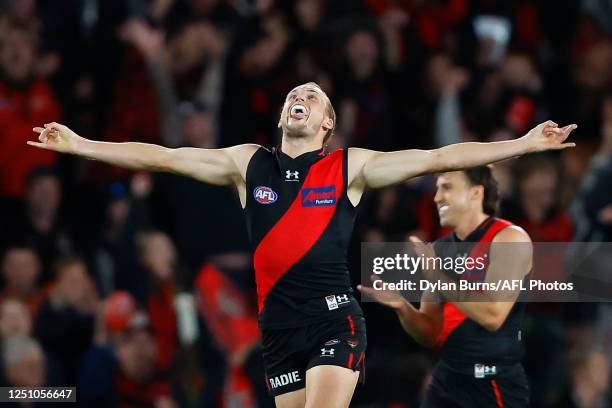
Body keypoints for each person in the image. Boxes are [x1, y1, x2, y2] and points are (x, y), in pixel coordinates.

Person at [28, 82, 575, 408]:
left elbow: (438, 157)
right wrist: (82, 144)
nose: (301, 97)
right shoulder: (247, 163)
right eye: (294, 94)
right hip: (278, 327)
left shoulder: (350, 167)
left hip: (334, 319)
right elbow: (163, 156)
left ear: (327, 123)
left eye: (313, 97)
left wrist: (524, 144)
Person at [359, 166, 533, 407]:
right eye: (437, 188)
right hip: (447, 379)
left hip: (493, 384)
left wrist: (436, 276)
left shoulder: (509, 238)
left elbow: (494, 314)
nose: (436, 196)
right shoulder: (440, 250)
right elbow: (430, 333)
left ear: (476, 193)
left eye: (447, 187)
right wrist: (403, 307)